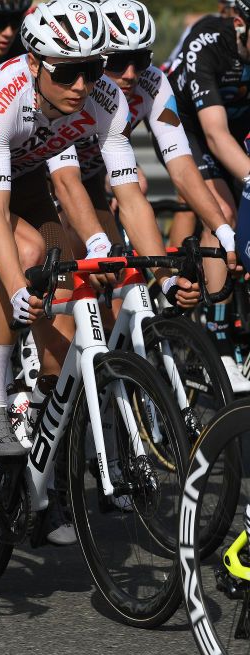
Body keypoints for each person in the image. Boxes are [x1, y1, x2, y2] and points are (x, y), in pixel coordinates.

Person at [0, 0, 198, 458]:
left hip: (25, 173)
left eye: (93, 69)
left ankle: (44, 422)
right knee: (27, 255)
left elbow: (129, 197)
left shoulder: (105, 99)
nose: (82, 85)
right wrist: (14, 287)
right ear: (33, 63)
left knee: (66, 283)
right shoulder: (3, 96)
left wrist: (164, 277)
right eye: (66, 73)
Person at [46, 0, 245, 390]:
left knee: (125, 287)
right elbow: (62, 184)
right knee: (70, 265)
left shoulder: (152, 84)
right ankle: (42, 385)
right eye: (119, 61)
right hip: (43, 178)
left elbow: (183, 169)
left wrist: (221, 230)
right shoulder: (75, 87)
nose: (132, 73)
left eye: (141, 58)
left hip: (89, 178)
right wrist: (96, 244)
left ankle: (114, 401)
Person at [168, 0, 250, 386]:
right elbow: (215, 135)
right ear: (239, 24)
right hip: (193, 127)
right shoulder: (209, 41)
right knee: (222, 212)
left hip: (237, 126)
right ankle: (216, 336)